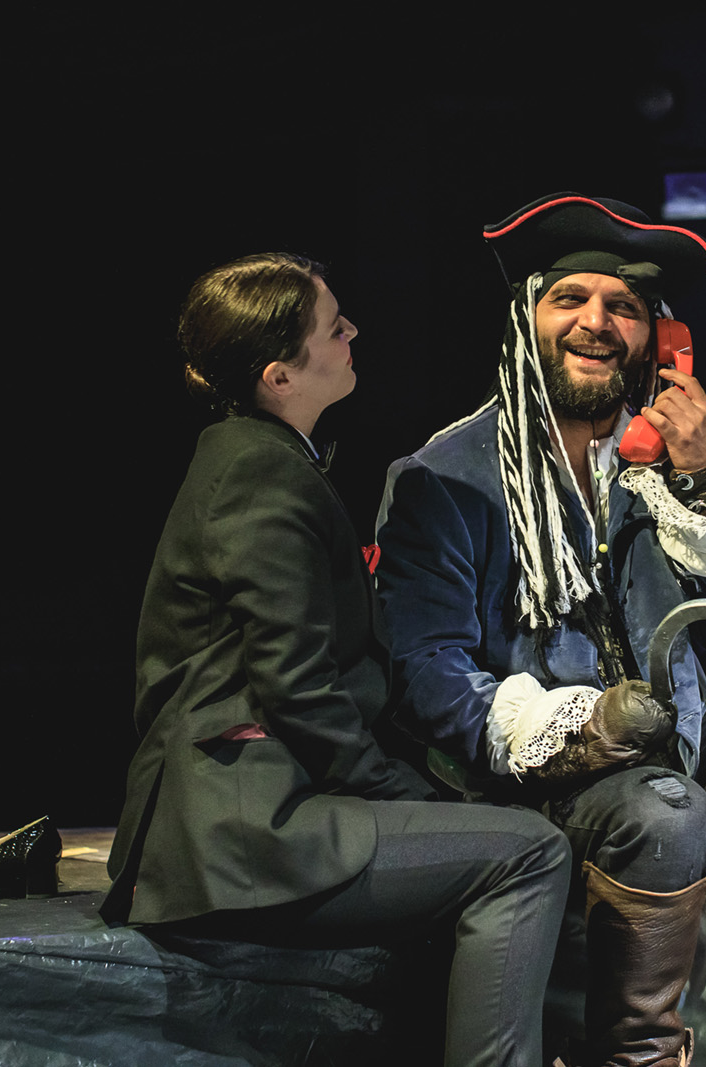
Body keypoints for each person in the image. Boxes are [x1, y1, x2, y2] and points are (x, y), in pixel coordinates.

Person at [375, 196, 706, 1067]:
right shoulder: (443, 477)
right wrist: (573, 727)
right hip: (533, 772)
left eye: (625, 307)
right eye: (570, 298)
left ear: (659, 337)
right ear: (526, 318)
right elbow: (425, 676)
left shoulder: (665, 462)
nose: (597, 323)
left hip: (673, 726)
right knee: (665, 812)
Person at [102, 252, 571, 1067]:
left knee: (494, 837)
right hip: (248, 832)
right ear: (279, 375)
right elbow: (295, 680)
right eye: (331, 326)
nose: (352, 330)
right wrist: (394, 791)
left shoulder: (258, 455)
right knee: (530, 850)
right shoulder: (260, 470)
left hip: (254, 814)